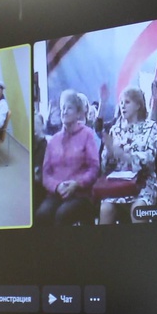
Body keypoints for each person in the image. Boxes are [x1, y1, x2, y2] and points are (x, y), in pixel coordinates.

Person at [37, 89, 100, 225]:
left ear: (78, 113)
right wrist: (57, 186)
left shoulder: (87, 135)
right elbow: (46, 174)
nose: (64, 112)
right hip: (57, 192)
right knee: (42, 214)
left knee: (62, 215)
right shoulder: (53, 140)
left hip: (80, 194)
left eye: (69, 108)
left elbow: (94, 168)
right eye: (63, 108)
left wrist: (76, 184)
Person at [98, 87, 157, 224]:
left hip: (143, 183)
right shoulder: (115, 129)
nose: (122, 106)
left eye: (127, 102)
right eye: (121, 102)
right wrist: (109, 153)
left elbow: (149, 159)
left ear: (138, 105)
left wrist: (124, 156)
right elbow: (105, 167)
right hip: (118, 184)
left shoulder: (150, 127)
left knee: (138, 210)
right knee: (105, 209)